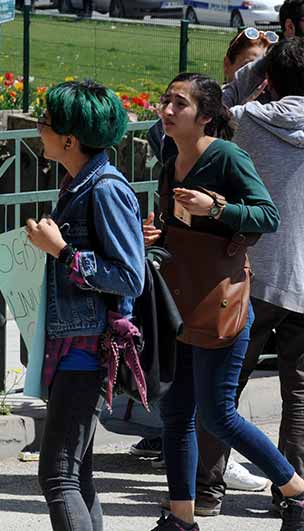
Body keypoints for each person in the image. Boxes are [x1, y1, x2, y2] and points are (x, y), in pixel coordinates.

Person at [144, 72, 304, 531]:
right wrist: (155, 236)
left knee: (217, 413)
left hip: (222, 303)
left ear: (207, 117)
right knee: (176, 412)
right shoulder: (170, 159)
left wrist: (214, 208)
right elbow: (174, 236)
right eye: (165, 101)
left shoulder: (227, 156)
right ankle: (181, 517)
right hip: (184, 301)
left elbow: (267, 215)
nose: (168, 111)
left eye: (180, 104)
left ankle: (295, 490)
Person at [189, 36, 304, 517]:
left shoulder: (250, 122)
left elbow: (217, 102)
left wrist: (253, 74)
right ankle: (291, 492)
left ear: (269, 79)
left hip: (250, 272)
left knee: (223, 389)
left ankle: (207, 490)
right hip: (302, 278)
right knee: (298, 393)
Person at [25, 80, 145, 531]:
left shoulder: (105, 189)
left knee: (57, 474)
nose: (39, 129)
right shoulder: (79, 183)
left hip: (87, 351)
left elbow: (130, 274)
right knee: (75, 474)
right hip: (71, 347)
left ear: (69, 139)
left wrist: (63, 252)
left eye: (45, 123)